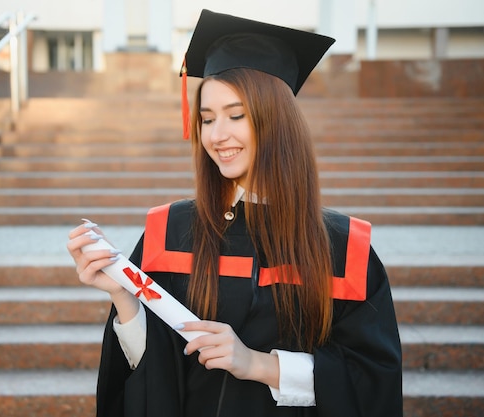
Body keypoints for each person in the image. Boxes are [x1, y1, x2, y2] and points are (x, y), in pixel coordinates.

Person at [67, 9, 403, 417]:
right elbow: (149, 370)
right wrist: (124, 296)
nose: (216, 135)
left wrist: (259, 364)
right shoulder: (170, 232)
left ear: (276, 120)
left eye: (235, 115)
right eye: (207, 119)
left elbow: (371, 383)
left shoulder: (344, 249)